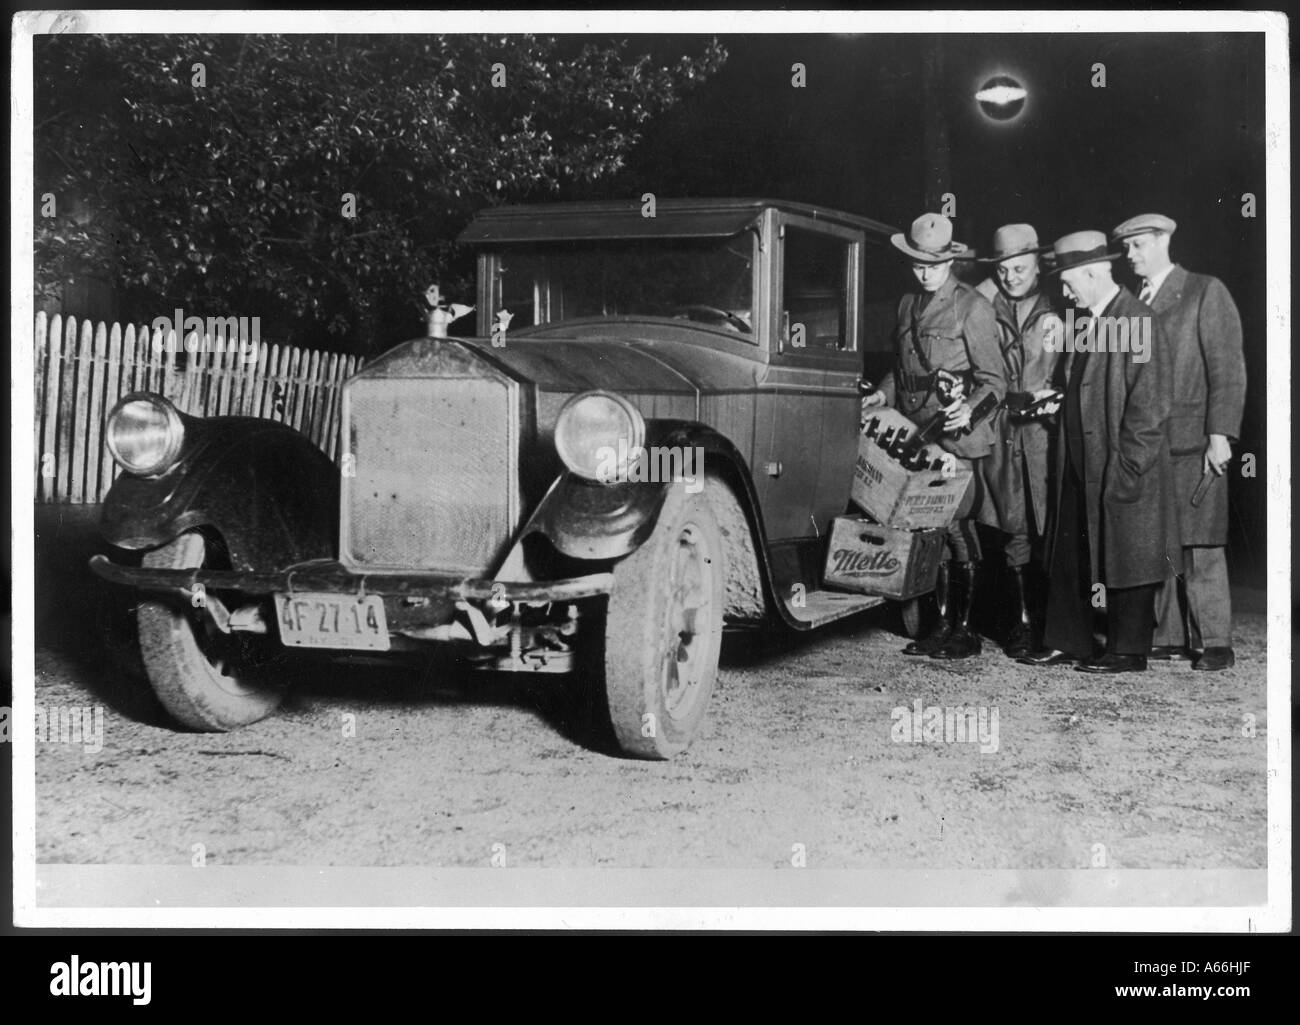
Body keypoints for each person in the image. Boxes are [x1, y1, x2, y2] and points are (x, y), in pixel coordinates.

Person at [1018, 231, 1181, 673]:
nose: (1064, 291)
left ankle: (1128, 651)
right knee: (1068, 547)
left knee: (1130, 549)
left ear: (1093, 273)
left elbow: (1150, 407)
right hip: (1077, 458)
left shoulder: (1137, 321)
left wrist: (1128, 467)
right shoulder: (1090, 320)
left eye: (1069, 282)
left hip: (1120, 463)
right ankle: (1067, 640)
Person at [863, 212, 1005, 660]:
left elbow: (994, 382)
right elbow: (903, 368)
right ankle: (938, 624)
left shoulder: (973, 307)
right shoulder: (907, 304)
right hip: (914, 434)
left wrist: (968, 409)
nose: (924, 272)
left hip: (954, 435)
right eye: (916, 264)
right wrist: (882, 398)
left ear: (950, 262)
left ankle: (965, 629)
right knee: (928, 528)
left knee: (958, 527)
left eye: (933, 265)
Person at [1112, 213, 1247, 672]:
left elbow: (1227, 369)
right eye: (1127, 248)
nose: (1130, 257)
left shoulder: (1206, 292)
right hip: (1151, 443)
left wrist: (1220, 433)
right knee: (1162, 542)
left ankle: (1215, 641)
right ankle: (1169, 638)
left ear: (1165, 240)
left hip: (1194, 439)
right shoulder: (1132, 303)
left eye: (1138, 246)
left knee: (1202, 541)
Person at [975, 224, 1065, 657]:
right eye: (1004, 270)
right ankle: (1023, 624)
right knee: (1013, 527)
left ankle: (1057, 624)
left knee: (1051, 527)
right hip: (1003, 432)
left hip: (1047, 436)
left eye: (1020, 268)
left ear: (1038, 266)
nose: (1011, 277)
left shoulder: (1060, 311)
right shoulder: (986, 307)